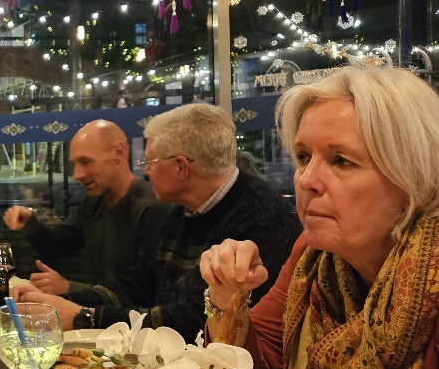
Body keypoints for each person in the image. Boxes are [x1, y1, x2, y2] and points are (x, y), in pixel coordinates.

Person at [191, 64, 439, 369]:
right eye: (303, 157)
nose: (306, 181)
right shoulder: (315, 257)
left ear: (413, 176)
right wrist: (228, 299)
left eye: (342, 161)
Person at [16, 104, 301, 341]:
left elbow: (196, 319)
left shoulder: (262, 219)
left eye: (149, 162)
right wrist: (60, 305)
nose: (146, 172)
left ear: (180, 166)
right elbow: (138, 283)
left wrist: (83, 317)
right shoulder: (186, 209)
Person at [3, 119, 173, 299]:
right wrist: (30, 223)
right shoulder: (93, 202)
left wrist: (69, 288)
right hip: (99, 310)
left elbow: (144, 293)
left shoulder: (153, 209)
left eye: (85, 162)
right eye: (74, 165)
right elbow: (58, 246)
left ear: (119, 152)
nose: (77, 175)